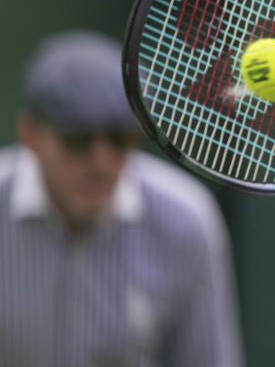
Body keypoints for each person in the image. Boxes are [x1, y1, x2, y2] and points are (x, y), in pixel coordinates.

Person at [0, 30, 244, 367]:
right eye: (78, 139)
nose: (102, 163)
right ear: (30, 135)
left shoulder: (186, 219)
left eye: (119, 138)